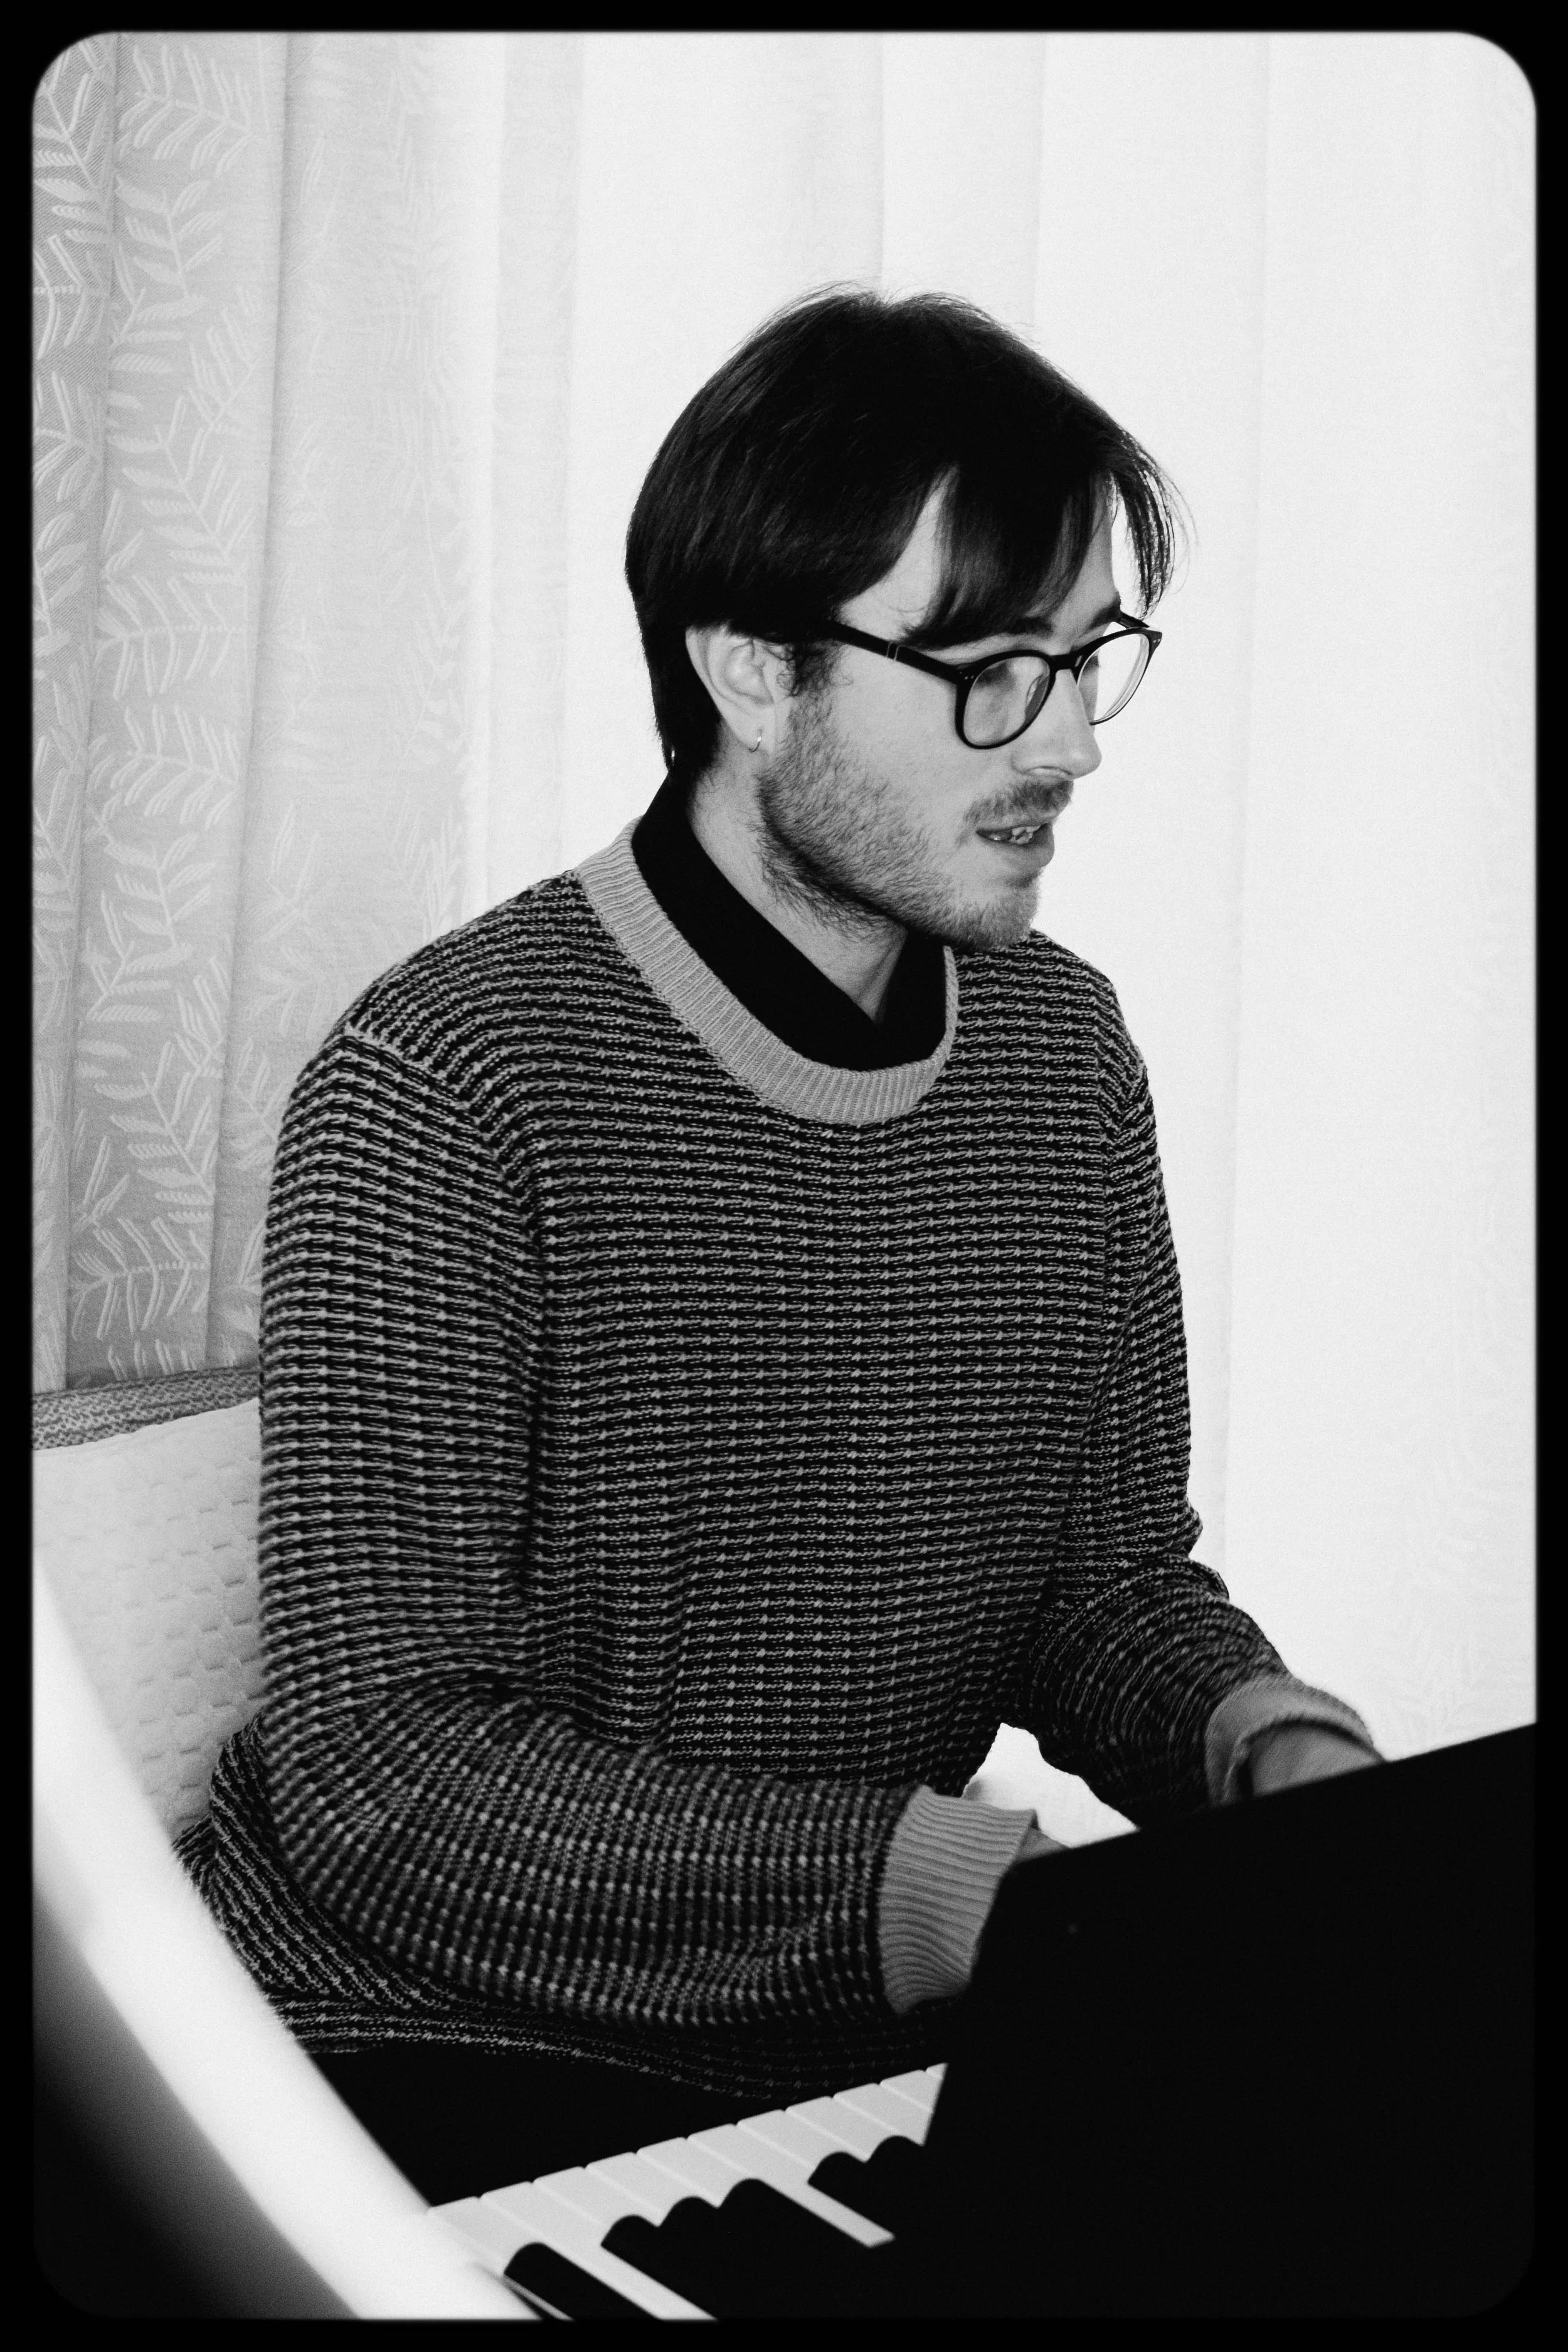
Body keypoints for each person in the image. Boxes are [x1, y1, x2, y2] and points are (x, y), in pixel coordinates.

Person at [178, 287, 1378, 2205]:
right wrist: (931, 1886)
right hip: (418, 2049)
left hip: (856, 2047)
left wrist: (1265, 1750)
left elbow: (1095, 1586)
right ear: (752, 669)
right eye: (992, 667)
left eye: (1089, 657)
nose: (1070, 740)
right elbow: (382, 1778)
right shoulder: (445, 1085)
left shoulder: (1062, 1056)